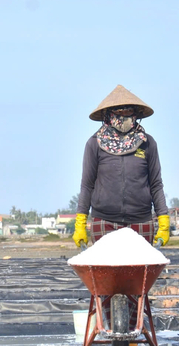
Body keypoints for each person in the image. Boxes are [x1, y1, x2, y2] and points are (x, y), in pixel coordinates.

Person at [73, 84, 170, 248]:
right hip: (104, 221)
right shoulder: (94, 144)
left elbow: (155, 184)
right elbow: (87, 185)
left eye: (128, 112)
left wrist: (163, 219)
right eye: (119, 112)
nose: (124, 117)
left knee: (138, 271)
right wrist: (80, 222)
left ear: (136, 115)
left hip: (141, 220)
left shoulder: (147, 143)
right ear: (108, 115)